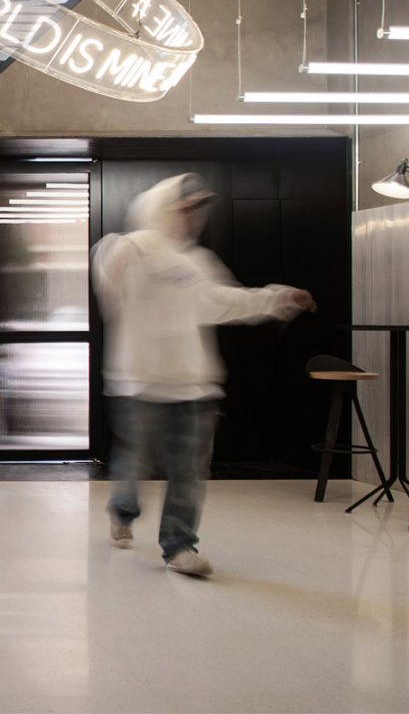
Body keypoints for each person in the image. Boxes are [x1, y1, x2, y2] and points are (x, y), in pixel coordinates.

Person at [91, 173, 315, 577]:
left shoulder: (197, 263)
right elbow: (108, 276)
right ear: (163, 208)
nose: (194, 216)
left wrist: (277, 298)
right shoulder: (131, 247)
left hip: (194, 385)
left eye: (199, 209)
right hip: (138, 382)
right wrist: (115, 263)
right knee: (135, 461)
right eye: (186, 207)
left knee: (189, 472)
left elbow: (226, 301)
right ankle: (122, 512)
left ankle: (179, 546)